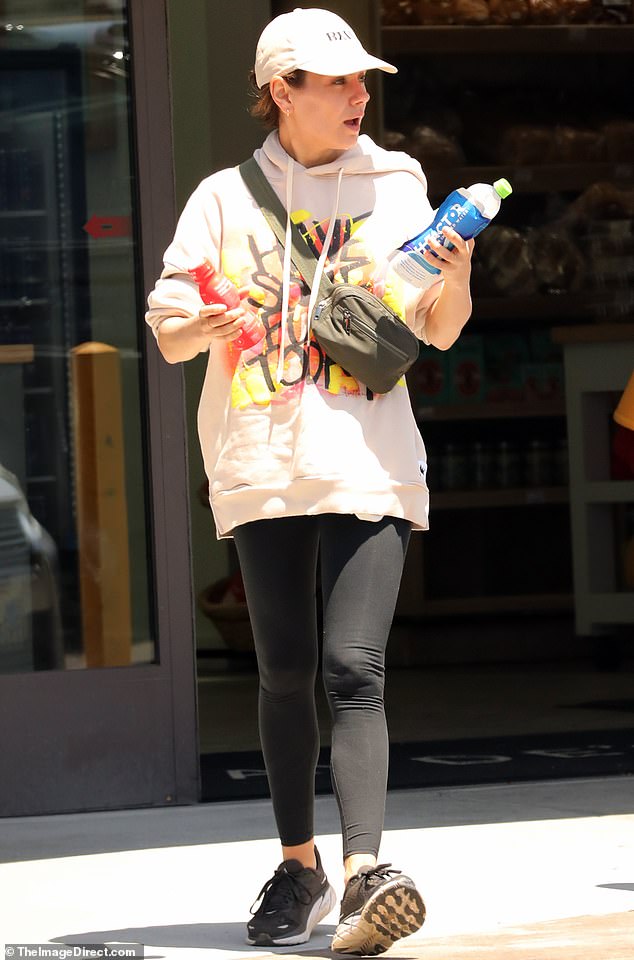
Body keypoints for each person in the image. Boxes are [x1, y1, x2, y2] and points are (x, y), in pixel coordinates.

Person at [146, 7, 474, 955]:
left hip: (367, 456)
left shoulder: (399, 183)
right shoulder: (222, 199)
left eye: (363, 81)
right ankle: (300, 866)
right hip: (261, 457)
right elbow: (168, 331)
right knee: (284, 671)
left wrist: (453, 273)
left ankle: (371, 872)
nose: (359, 96)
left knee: (351, 670)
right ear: (280, 91)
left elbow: (444, 328)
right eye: (337, 83)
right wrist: (212, 318)